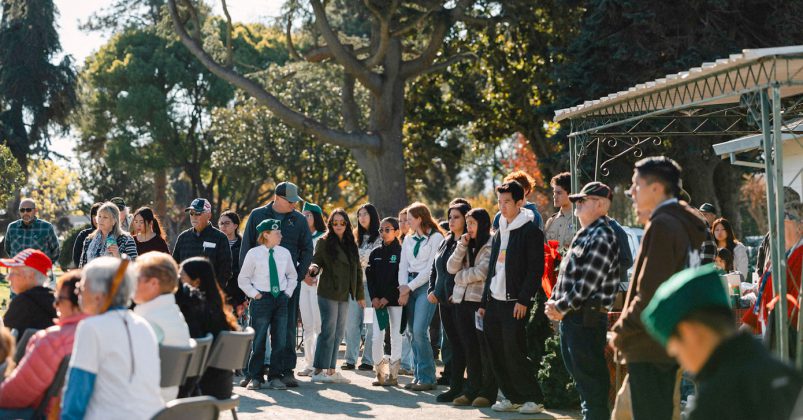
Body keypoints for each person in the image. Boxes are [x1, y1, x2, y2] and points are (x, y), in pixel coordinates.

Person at [610, 156, 709, 420]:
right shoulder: (683, 225)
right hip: (666, 341)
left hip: (650, 344)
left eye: (636, 185)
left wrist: (620, 330)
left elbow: (651, 293)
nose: (631, 192)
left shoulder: (664, 225)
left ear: (656, 188)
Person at [642, 264, 802, 420]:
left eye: (676, 351)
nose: (681, 362)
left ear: (689, 332)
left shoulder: (713, 402)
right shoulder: (788, 375)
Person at [545, 182, 620, 420]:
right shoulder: (585, 233)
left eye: (582, 201)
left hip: (586, 318)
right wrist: (554, 302)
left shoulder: (602, 235)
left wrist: (560, 306)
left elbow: (588, 283)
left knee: (591, 387)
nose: (576, 204)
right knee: (584, 382)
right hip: (574, 317)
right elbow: (567, 275)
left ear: (599, 205)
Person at [61, 257, 162, 420]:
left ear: (99, 296)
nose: (77, 291)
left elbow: (76, 397)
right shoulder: (144, 326)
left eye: (82, 286)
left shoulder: (91, 327)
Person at [478, 180, 545, 414]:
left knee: (514, 350)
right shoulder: (499, 232)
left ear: (520, 202)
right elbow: (492, 270)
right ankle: (511, 396)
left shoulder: (530, 231)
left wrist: (524, 300)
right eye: (499, 201)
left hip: (515, 302)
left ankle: (532, 398)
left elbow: (535, 270)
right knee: (495, 351)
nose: (502, 206)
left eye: (507, 202)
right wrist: (484, 302)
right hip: (494, 302)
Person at [240, 182, 313, 387]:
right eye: (290, 201)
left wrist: (296, 278)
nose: (293, 204)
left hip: (286, 287)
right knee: (258, 330)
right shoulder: (256, 215)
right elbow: (246, 249)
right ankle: (253, 373)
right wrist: (250, 289)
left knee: (287, 328)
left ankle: (285, 371)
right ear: (277, 198)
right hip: (260, 288)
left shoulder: (298, 219)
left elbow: (307, 249)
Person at [0, 271, 88, 417]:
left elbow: (17, 393)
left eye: (59, 298)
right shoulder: (100, 334)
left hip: (45, 413)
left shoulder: (53, 339)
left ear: (78, 302)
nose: (54, 304)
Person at [238, 219, 298, 390]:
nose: (281, 235)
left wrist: (287, 293)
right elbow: (243, 279)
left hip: (280, 298)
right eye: (277, 233)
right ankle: (255, 377)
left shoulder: (284, 253)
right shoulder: (253, 254)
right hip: (261, 299)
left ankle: (275, 376)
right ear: (266, 234)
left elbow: (292, 276)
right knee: (258, 340)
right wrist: (254, 294)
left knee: (280, 340)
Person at [446, 208, 497, 407]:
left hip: (480, 303)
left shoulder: (491, 242)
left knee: (484, 349)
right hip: (461, 302)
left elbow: (483, 272)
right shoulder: (466, 242)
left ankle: (487, 391)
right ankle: (471, 390)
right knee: (469, 349)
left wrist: (460, 278)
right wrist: (461, 246)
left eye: (472, 223)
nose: (469, 228)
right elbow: (451, 267)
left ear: (483, 224)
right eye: (468, 224)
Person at [308, 209, 363, 384]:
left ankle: (331, 371)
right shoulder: (323, 242)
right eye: (335, 222)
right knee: (328, 331)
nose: (339, 225)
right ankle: (317, 370)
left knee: (339, 333)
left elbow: (358, 271)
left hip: (345, 293)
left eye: (342, 222)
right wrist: (314, 268)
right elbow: (316, 260)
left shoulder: (351, 242)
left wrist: (360, 295)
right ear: (330, 224)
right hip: (328, 291)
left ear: (347, 224)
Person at [176, 257, 240, 398]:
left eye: (182, 276)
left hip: (204, 388)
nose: (178, 281)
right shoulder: (218, 310)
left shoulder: (198, 311)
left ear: (196, 282)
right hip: (223, 385)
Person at [132, 251, 192, 400]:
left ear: (153, 283)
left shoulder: (148, 322)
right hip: (165, 398)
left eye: (135, 278)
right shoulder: (171, 313)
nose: (130, 283)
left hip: (145, 403)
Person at [398, 202, 445, 391]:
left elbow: (430, 270)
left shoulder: (436, 238)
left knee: (419, 331)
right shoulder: (408, 239)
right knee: (410, 332)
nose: (407, 222)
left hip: (425, 286)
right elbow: (403, 264)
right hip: (408, 285)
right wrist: (402, 287)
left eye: (410, 219)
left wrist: (408, 287)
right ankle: (418, 376)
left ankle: (428, 376)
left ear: (420, 218)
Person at [428, 201, 470, 402]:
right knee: (452, 343)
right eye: (450, 217)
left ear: (466, 219)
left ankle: (466, 386)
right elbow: (434, 269)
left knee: (463, 343)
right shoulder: (445, 240)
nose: (451, 221)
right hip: (443, 300)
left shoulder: (467, 241)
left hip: (460, 301)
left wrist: (458, 292)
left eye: (457, 217)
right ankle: (455, 386)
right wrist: (431, 289)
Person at [743, 201, 803, 339]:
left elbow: (794, 311)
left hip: (786, 342)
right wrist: (744, 329)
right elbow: (763, 299)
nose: (777, 227)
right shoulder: (783, 258)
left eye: (784, 220)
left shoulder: (799, 257)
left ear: (800, 227)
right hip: (771, 335)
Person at [344, 203, 382, 371]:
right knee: (352, 323)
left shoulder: (380, 237)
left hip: (371, 288)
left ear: (372, 216)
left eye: (365, 214)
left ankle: (367, 360)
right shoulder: (354, 237)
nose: (362, 217)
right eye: (359, 215)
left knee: (370, 324)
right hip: (354, 287)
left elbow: (371, 261)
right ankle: (350, 359)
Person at [366, 217, 403, 386]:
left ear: (396, 231)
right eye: (381, 230)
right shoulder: (375, 253)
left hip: (394, 301)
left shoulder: (401, 252)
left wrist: (387, 297)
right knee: (376, 336)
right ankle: (379, 372)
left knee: (395, 335)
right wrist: (374, 297)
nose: (383, 233)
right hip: (377, 303)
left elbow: (398, 278)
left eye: (387, 229)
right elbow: (370, 276)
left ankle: (393, 375)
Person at [173, 198, 232, 294]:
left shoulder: (220, 238)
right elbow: (175, 265)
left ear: (209, 215)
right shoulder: (183, 237)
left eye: (198, 213)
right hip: (185, 296)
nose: (194, 217)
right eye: (191, 213)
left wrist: (215, 291)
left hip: (209, 296)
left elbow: (225, 270)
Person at [298, 202, 326, 376]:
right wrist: (304, 276)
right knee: (307, 325)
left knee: (319, 325)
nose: (305, 217)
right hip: (303, 283)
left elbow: (325, 260)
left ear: (316, 216)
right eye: (303, 214)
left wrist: (314, 276)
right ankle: (308, 363)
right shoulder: (299, 236)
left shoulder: (324, 236)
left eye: (308, 214)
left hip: (318, 284)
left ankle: (319, 363)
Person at [0, 249, 57, 332]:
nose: (8, 277)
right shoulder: (55, 301)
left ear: (30, 276)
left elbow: (6, 341)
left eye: (14, 272)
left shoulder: (22, 302)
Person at [79, 202, 138, 267]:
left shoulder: (126, 239)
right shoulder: (89, 240)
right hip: (91, 276)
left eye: (105, 217)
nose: (101, 220)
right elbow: (82, 266)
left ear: (114, 221)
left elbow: (135, 265)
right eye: (99, 216)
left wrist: (118, 255)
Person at [4, 198, 59, 264]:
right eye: (22, 210)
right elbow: (8, 249)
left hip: (39, 272)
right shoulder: (12, 227)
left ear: (35, 211)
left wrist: (46, 266)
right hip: (19, 272)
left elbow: (55, 250)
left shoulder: (47, 227)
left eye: (28, 210)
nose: (25, 213)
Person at [218, 210, 246, 311]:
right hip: (219, 293)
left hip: (239, 296)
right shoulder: (215, 244)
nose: (223, 226)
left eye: (227, 223)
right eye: (221, 223)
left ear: (235, 225)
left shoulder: (244, 246)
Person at [544, 172, 575, 253]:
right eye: (554, 192)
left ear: (571, 194)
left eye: (559, 193)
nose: (554, 196)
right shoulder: (551, 221)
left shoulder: (580, 220)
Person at [72, 203, 101, 268]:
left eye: (98, 216)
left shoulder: (112, 235)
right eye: (93, 216)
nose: (95, 219)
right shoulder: (84, 235)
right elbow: (77, 258)